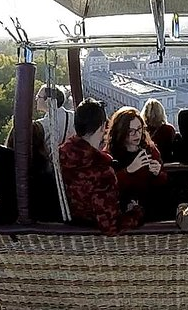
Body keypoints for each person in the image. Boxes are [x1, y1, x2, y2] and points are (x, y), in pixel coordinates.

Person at [59, 98, 143, 235]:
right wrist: (136, 212)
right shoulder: (101, 171)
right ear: (102, 127)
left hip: (75, 222)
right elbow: (111, 227)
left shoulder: (63, 154)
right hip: (92, 233)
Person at [104, 107, 167, 216]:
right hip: (122, 209)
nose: (137, 134)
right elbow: (107, 187)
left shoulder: (150, 150)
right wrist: (128, 171)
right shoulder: (110, 155)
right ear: (121, 132)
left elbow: (162, 182)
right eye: (131, 131)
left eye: (139, 129)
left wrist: (158, 173)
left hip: (150, 207)